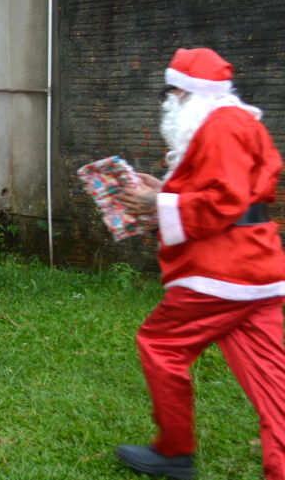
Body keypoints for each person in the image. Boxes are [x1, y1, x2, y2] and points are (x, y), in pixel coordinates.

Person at [113, 47, 285, 480]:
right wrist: (163, 189)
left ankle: (174, 452)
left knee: (161, 345)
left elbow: (224, 200)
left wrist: (157, 201)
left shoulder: (221, 126)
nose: (170, 102)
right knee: (272, 377)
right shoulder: (238, 121)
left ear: (191, 92)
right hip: (258, 270)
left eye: (175, 93)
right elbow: (229, 189)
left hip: (219, 272)